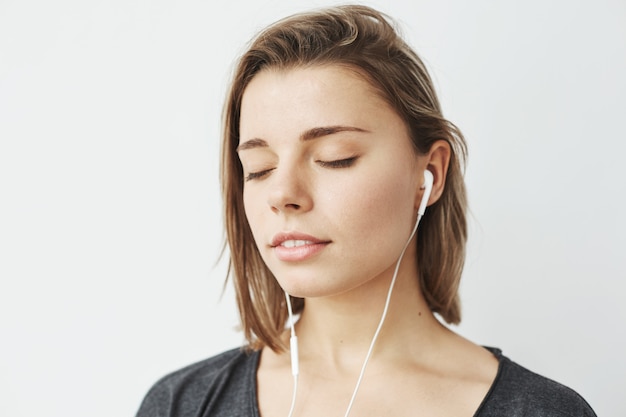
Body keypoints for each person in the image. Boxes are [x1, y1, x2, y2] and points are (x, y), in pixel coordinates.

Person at [136, 5, 596, 417]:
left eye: (335, 158)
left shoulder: (541, 410)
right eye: (259, 168)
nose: (283, 194)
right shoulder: (182, 403)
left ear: (428, 175)